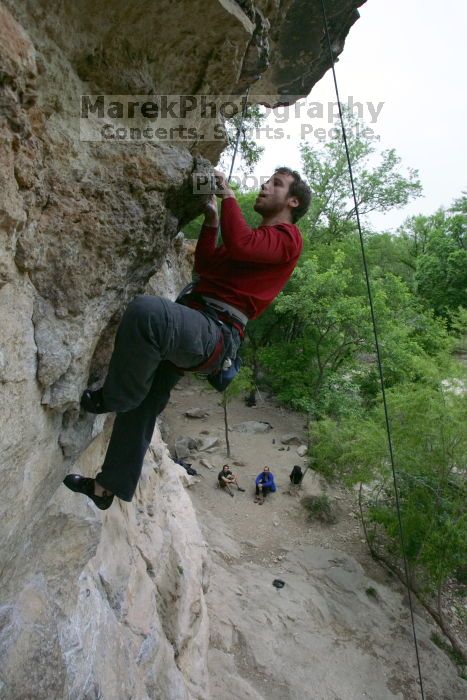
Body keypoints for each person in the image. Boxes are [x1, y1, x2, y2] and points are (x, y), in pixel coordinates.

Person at [63, 167, 311, 509]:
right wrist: (211, 219)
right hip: (199, 322)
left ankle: (113, 397)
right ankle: (106, 488)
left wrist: (227, 196)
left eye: (276, 184)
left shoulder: (287, 239)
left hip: (216, 332)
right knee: (146, 401)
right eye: (268, 180)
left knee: (147, 313)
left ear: (292, 201)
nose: (266, 186)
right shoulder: (257, 245)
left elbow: (240, 244)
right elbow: (207, 266)